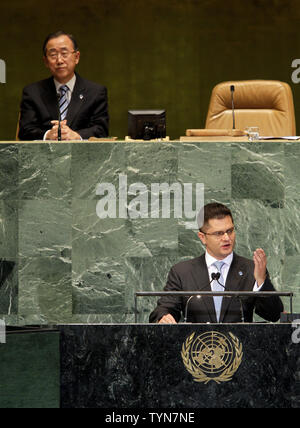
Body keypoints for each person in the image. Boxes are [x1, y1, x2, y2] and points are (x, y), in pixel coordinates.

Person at [149, 202, 283, 324]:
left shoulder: (251, 269)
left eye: (230, 231)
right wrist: (163, 317)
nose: (226, 238)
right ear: (202, 237)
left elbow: (274, 315)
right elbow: (164, 308)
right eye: (219, 233)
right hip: (196, 347)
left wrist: (261, 281)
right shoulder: (182, 272)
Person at [18, 31, 109, 141]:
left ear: (77, 57)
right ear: (46, 61)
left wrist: (76, 135)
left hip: (83, 156)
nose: (59, 60)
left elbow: (101, 129)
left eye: (64, 53)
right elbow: (25, 131)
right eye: (53, 55)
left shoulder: (95, 92)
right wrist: (48, 135)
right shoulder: (32, 92)